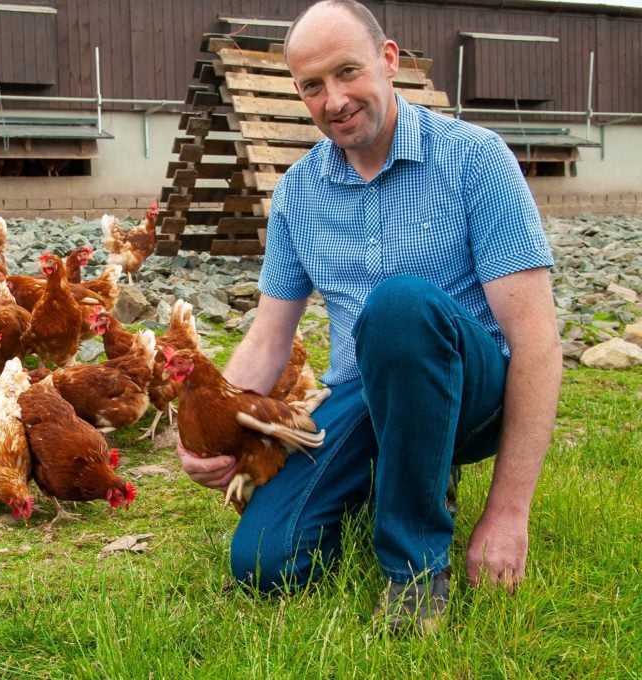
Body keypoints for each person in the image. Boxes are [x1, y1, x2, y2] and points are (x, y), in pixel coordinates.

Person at [176, 0, 563, 633]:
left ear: (388, 61)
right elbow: (271, 334)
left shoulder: (475, 159)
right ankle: (397, 478)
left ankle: (413, 571)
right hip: (364, 393)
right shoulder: (300, 191)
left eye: (347, 72)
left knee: (398, 306)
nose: (334, 100)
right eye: (312, 86)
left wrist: (509, 512)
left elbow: (538, 343)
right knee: (266, 563)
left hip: (472, 393)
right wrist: (216, 426)